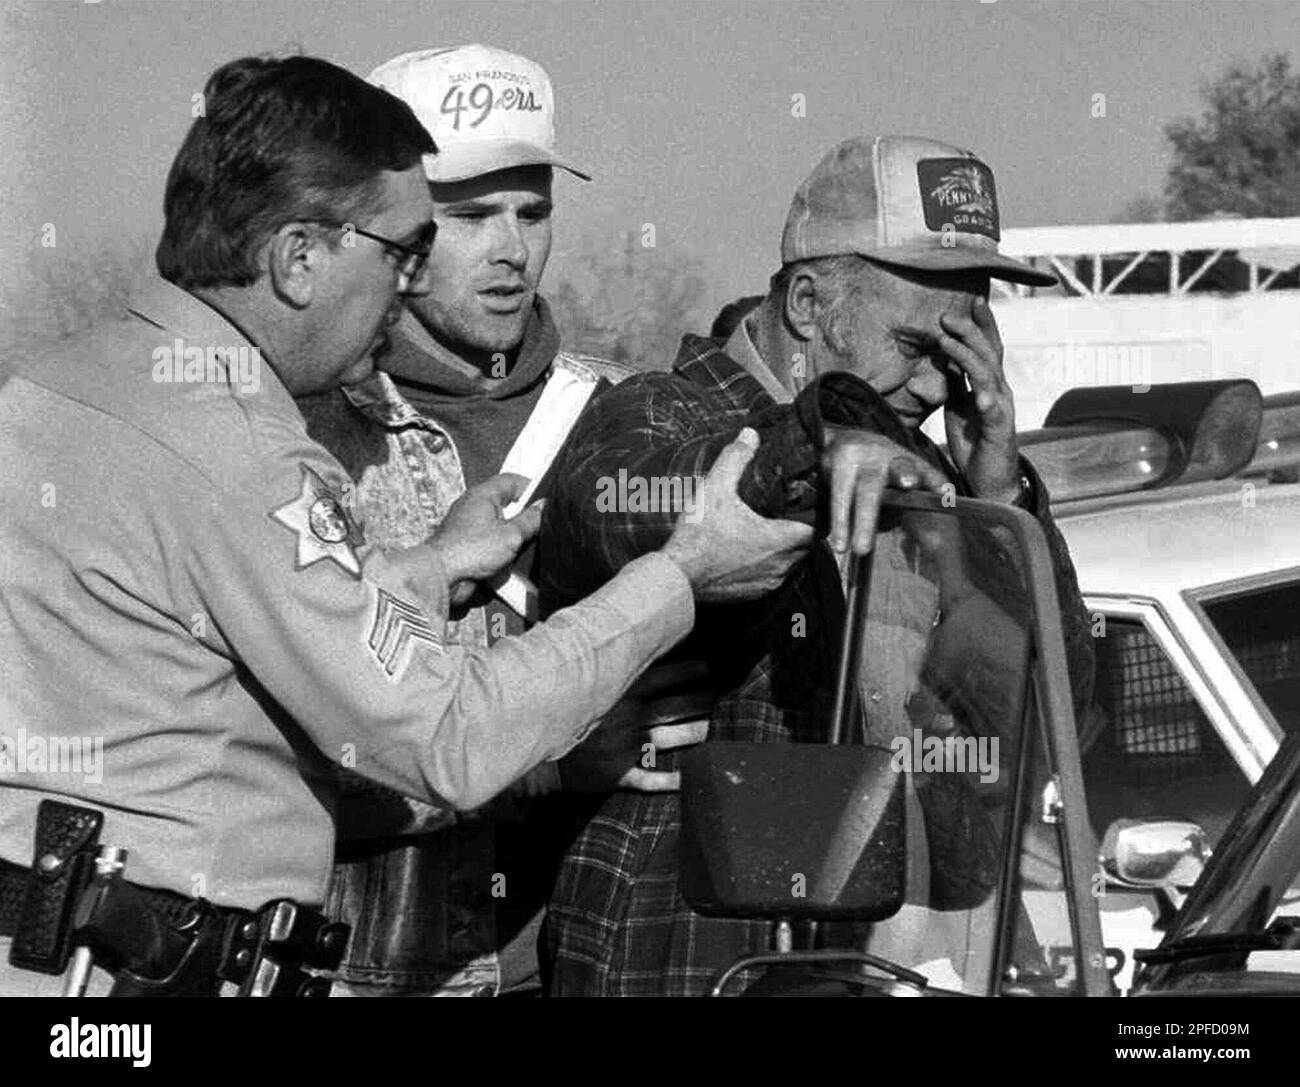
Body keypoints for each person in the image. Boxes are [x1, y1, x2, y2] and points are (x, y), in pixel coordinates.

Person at [0, 54, 806, 997]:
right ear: (300, 259)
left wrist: (425, 568)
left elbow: (222, 631)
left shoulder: (55, 387)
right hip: (147, 973)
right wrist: (681, 574)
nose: (407, 285)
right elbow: (449, 737)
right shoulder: (243, 452)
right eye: (404, 249)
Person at [539, 135, 1097, 996]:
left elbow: (1045, 709)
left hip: (890, 958)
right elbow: (619, 509)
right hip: (692, 958)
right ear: (806, 301)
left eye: (959, 356)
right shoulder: (656, 410)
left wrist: (999, 495)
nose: (939, 386)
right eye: (917, 345)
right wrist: (823, 435)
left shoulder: (928, 474)